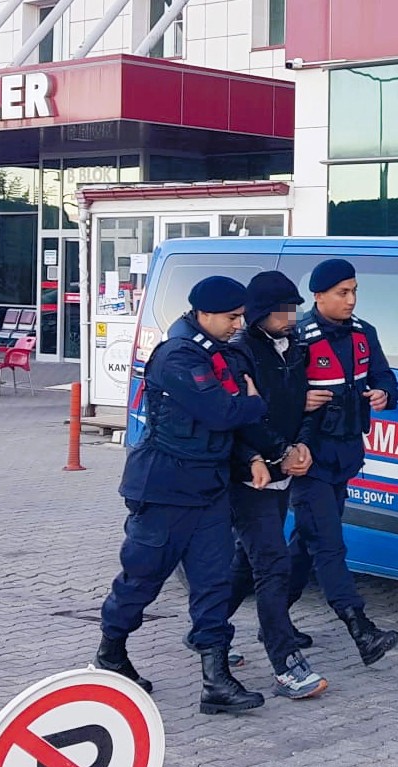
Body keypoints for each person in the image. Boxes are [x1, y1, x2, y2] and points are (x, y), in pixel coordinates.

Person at [94, 275, 272, 716]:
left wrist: (249, 453)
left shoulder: (219, 354)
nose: (238, 325)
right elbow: (221, 412)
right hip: (164, 490)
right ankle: (111, 653)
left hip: (208, 488)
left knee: (212, 583)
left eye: (241, 317)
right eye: (232, 317)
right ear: (205, 313)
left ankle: (216, 682)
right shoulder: (177, 356)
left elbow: (230, 424)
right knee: (142, 578)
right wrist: (254, 404)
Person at [290, 258, 398, 666]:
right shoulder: (298, 338)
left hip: (345, 454)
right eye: (342, 292)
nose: (351, 300)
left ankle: (260, 618)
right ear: (318, 295)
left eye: (354, 291)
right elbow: (274, 398)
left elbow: (386, 378)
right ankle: (361, 629)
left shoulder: (363, 334)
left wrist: (383, 395)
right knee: (328, 543)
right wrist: (299, 401)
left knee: (304, 542)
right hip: (308, 458)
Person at [226, 271, 328, 699]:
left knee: (247, 564)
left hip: (286, 469)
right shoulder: (239, 353)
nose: (292, 316)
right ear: (260, 312)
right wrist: (273, 452)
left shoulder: (297, 347)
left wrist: (301, 445)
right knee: (273, 565)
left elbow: (307, 402)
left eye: (294, 308)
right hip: (249, 475)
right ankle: (286, 664)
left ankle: (206, 630)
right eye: (283, 309)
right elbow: (243, 416)